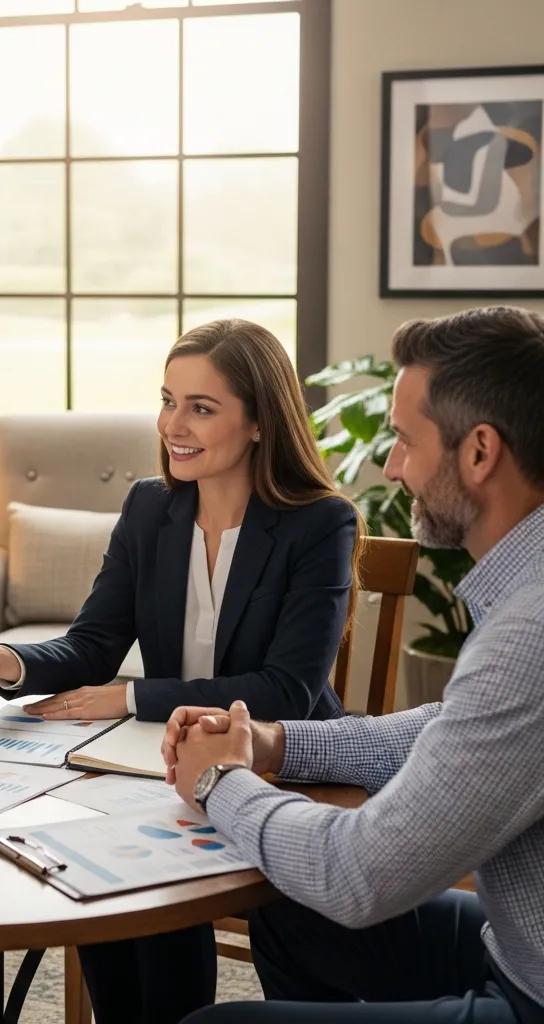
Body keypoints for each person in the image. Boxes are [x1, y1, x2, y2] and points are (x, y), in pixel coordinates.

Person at [0, 318, 363, 1024]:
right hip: (167, 761)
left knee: (159, 882)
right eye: (168, 399)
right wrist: (5, 659)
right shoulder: (152, 506)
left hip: (284, 765)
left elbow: (285, 690)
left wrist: (132, 698)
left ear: (261, 420)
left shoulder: (319, 523)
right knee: (107, 867)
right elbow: (92, 644)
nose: (174, 424)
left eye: (201, 408)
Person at [162, 306, 544, 1024]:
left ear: (480, 452)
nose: (393, 466)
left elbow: (359, 874)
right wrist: (279, 742)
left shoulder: (532, 632)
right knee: (285, 901)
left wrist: (220, 780)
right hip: (516, 945)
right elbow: (456, 726)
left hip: (532, 994)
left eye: (404, 440)